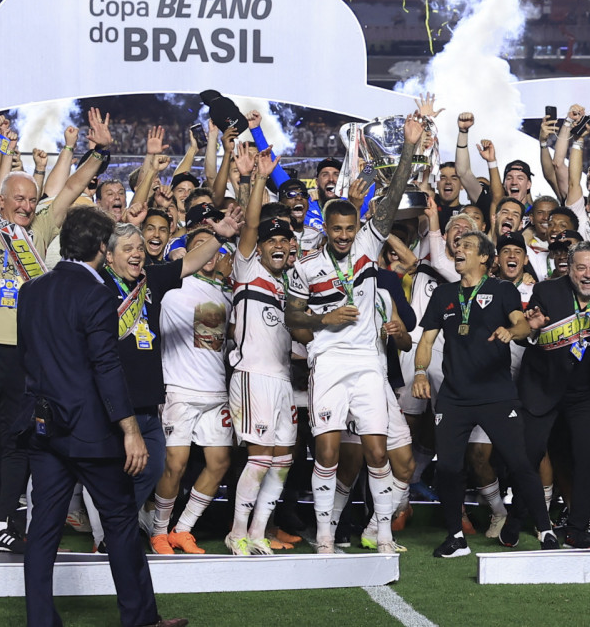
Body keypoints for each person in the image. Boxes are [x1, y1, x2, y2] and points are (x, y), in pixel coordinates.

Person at [0, 95, 111, 558]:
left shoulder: (37, 231)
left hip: (24, 355)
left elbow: (73, 190)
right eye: (17, 198)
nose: (24, 204)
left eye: (31, 199)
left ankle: (1, 523)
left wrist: (98, 154)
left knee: (16, 443)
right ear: (2, 199)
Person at [16, 205, 185, 627]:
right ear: (98, 248)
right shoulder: (97, 294)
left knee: (43, 530)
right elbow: (106, 366)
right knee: (121, 523)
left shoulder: (32, 290)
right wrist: (130, 429)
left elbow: (28, 359)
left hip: (43, 429)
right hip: (91, 433)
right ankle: (141, 619)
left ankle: (41, 621)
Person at [285, 99, 431, 554]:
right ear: (325, 227)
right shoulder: (306, 265)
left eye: (351, 228)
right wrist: (323, 319)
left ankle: (383, 532)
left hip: (368, 364)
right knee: (327, 454)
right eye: (339, 229)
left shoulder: (371, 239)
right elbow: (292, 318)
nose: (346, 235)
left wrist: (408, 147)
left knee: (376, 452)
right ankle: (326, 534)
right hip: (327, 363)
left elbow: (392, 195)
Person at [413, 231, 559, 556]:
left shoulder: (502, 289)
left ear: (484, 258)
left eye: (467, 246)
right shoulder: (443, 295)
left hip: (496, 395)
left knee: (521, 462)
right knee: (449, 468)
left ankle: (545, 529)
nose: (458, 249)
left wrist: (513, 330)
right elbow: (426, 342)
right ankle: (455, 537)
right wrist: (421, 372)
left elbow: (522, 324)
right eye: (457, 244)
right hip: (454, 397)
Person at [505, 240, 590, 549]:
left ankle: (577, 531)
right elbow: (532, 331)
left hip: (585, 393)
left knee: (586, 460)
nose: (587, 274)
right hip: (543, 387)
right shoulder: (547, 292)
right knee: (530, 455)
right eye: (581, 267)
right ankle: (515, 518)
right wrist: (532, 327)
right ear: (569, 270)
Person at [226, 144, 297, 555]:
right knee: (260, 456)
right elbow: (251, 224)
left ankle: (257, 532)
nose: (278, 246)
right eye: (272, 240)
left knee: (283, 459)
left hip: (283, 378)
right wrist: (257, 180)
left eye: (285, 241)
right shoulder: (247, 267)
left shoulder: (288, 281)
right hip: (253, 375)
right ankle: (237, 531)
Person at [149, 226, 236, 555]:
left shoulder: (224, 292)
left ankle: (183, 529)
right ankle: (158, 531)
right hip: (180, 390)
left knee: (219, 463)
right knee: (176, 464)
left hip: (216, 393)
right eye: (200, 245)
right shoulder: (172, 286)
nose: (209, 253)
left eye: (213, 247)